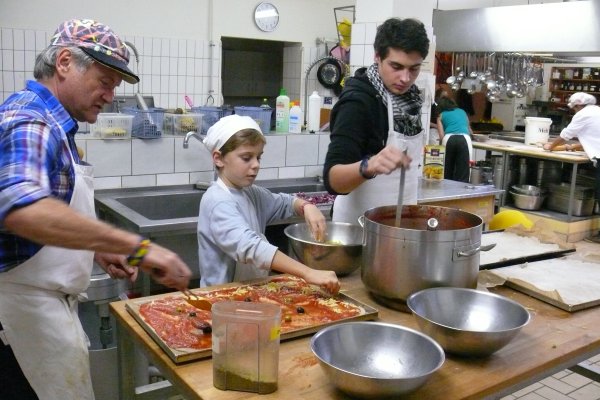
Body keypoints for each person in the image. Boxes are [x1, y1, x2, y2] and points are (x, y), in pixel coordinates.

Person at [0, 19, 192, 400]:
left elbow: (49, 211)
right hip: (18, 319)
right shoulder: (31, 121)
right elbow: (21, 208)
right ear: (65, 62)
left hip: (42, 309)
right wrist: (139, 247)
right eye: (105, 82)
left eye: (115, 86)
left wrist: (97, 247)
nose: (110, 95)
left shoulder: (58, 125)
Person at [197, 114, 340, 294]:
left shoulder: (249, 192)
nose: (256, 164)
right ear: (218, 158)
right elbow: (250, 247)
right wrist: (308, 273)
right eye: (246, 158)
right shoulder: (217, 201)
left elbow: (284, 203)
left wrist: (306, 207)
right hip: (219, 300)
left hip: (249, 294)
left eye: (259, 157)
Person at [323, 18, 430, 224]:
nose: (405, 78)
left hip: (401, 226)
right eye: (396, 66)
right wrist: (369, 166)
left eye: (414, 69)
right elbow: (333, 180)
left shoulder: (411, 100)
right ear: (377, 57)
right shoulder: (358, 103)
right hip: (359, 230)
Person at [543, 92, 600, 242]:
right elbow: (594, 136)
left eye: (574, 107)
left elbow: (566, 134)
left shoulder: (583, 114)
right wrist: (573, 147)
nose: (574, 110)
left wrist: (551, 146)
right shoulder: (597, 111)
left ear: (578, 105)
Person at [436, 96, 473, 182]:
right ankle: (461, 192)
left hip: (448, 139)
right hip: (464, 139)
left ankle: (446, 192)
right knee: (463, 170)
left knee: (447, 168)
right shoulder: (462, 112)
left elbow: (441, 135)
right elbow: (469, 130)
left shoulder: (440, 115)